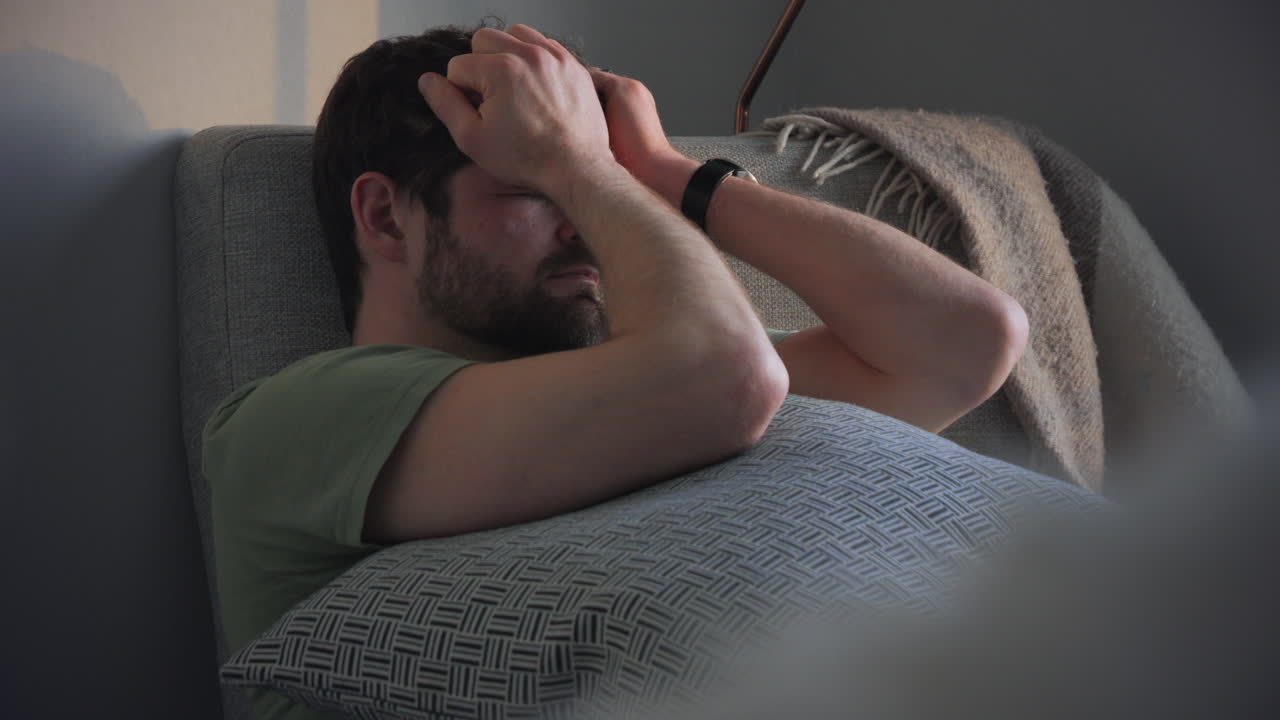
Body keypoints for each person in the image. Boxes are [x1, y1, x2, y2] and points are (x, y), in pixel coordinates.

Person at [202, 18, 1028, 720]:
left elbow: (963, 342)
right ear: (386, 215)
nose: (587, 224)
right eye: (533, 185)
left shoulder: (641, 387)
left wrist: (668, 172)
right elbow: (726, 378)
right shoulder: (295, 420)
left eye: (595, 187)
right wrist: (581, 164)